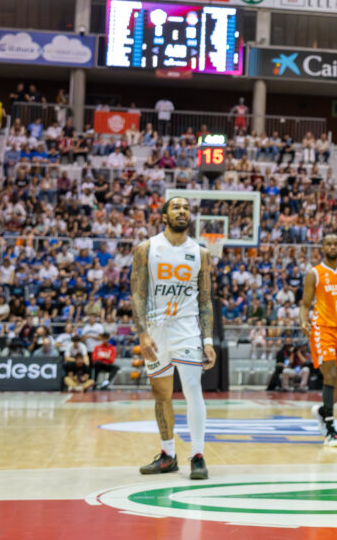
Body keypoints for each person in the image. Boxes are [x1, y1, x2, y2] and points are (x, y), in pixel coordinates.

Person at [132, 196, 217, 480]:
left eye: (186, 208)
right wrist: (142, 333)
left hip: (186, 330)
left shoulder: (201, 253)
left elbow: (205, 301)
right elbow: (138, 294)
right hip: (156, 330)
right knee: (161, 394)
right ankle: (168, 455)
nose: (183, 211)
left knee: (193, 389)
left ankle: (198, 455)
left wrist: (208, 341)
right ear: (165, 216)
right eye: (176, 207)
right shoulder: (146, 249)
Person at [298, 234, 337, 448]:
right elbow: (305, 304)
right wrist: (303, 321)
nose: (332, 246)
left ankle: (323, 410)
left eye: (336, 243)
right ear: (322, 247)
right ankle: (330, 429)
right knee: (330, 374)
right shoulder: (313, 273)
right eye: (328, 243)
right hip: (321, 329)